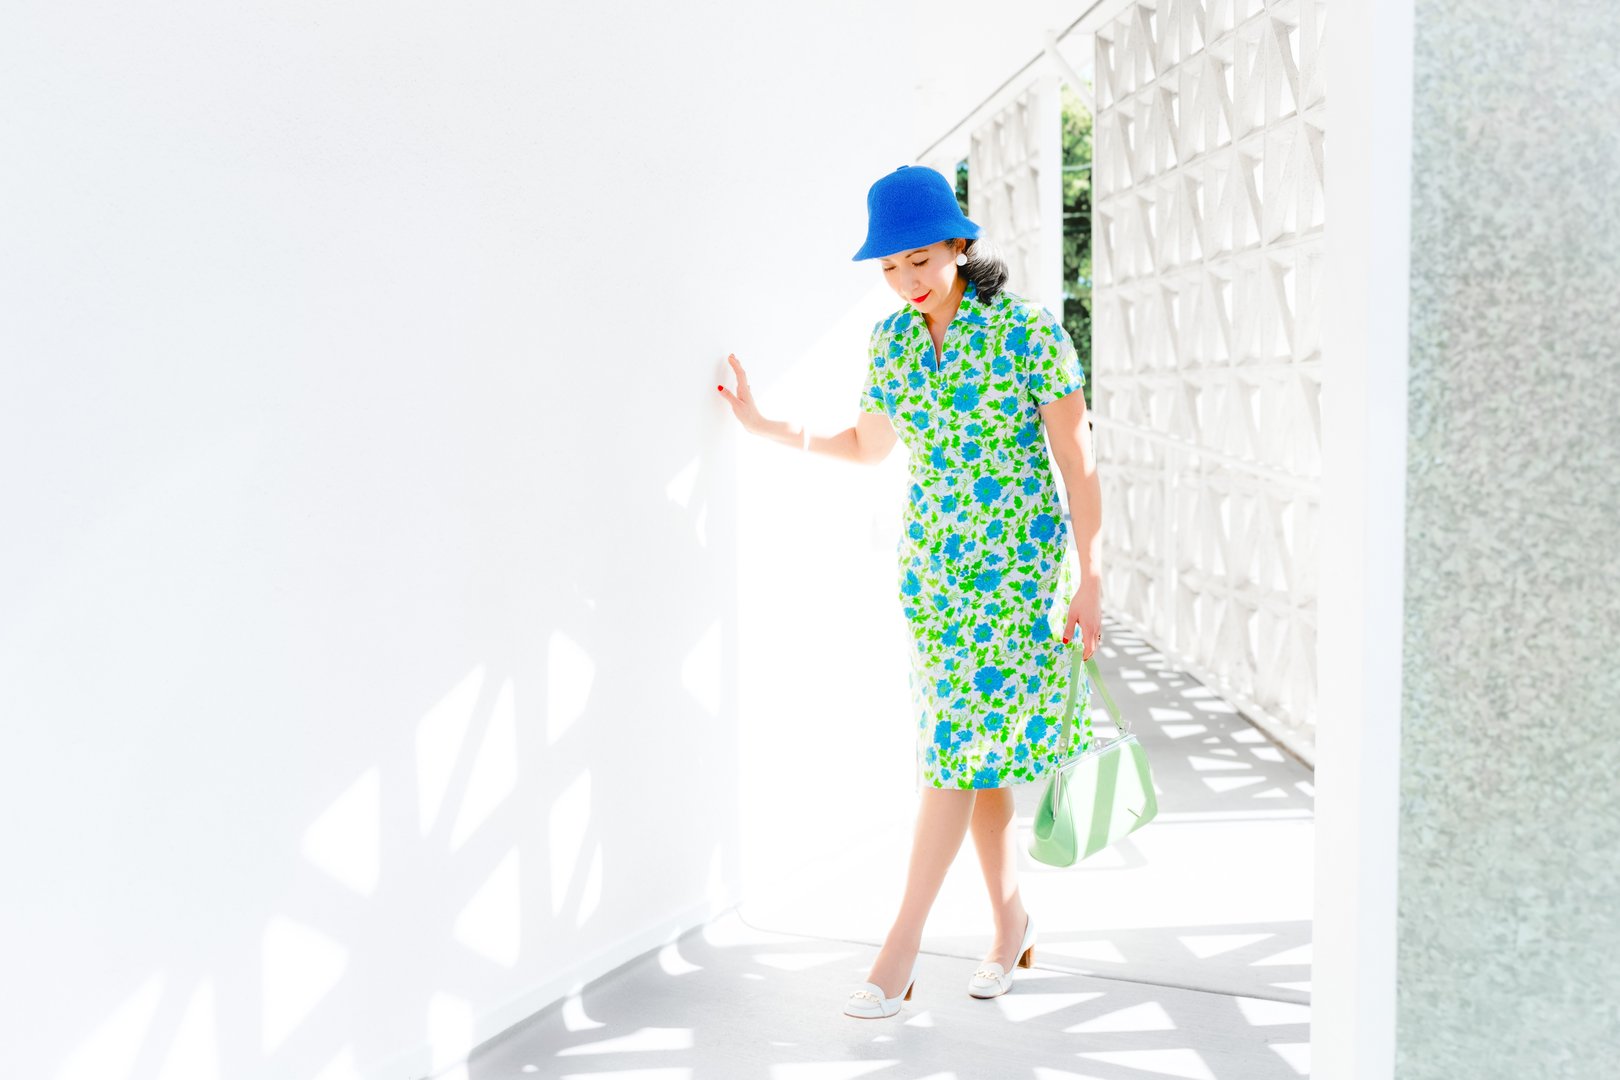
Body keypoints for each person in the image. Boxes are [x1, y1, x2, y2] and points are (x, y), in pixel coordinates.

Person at [715, 164, 1104, 1019]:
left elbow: (1077, 465)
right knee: (975, 757)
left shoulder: (1031, 333)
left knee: (955, 755)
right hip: (933, 580)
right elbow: (866, 445)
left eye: (920, 259)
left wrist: (1092, 576)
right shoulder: (891, 344)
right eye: (889, 268)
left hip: (1017, 579)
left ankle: (901, 951)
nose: (906, 281)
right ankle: (1010, 924)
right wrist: (762, 423)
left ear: (960, 244)